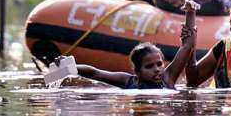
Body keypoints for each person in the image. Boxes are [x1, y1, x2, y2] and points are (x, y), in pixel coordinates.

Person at [60, 41, 192, 89]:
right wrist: (70, 67)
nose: (157, 69)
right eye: (149, 66)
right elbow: (95, 73)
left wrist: (190, 11)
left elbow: (186, 47)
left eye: (159, 64)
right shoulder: (128, 81)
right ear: (138, 71)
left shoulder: (167, 79)